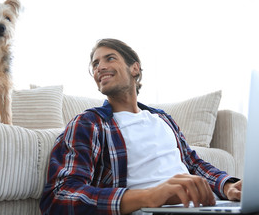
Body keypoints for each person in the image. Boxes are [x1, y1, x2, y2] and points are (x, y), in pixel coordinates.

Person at [40, 38, 242, 215]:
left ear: (134, 68)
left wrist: (228, 186)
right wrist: (150, 196)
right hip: (151, 209)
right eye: (95, 64)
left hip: (202, 205)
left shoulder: (163, 119)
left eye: (109, 58)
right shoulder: (89, 123)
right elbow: (59, 196)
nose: (99, 67)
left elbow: (194, 163)